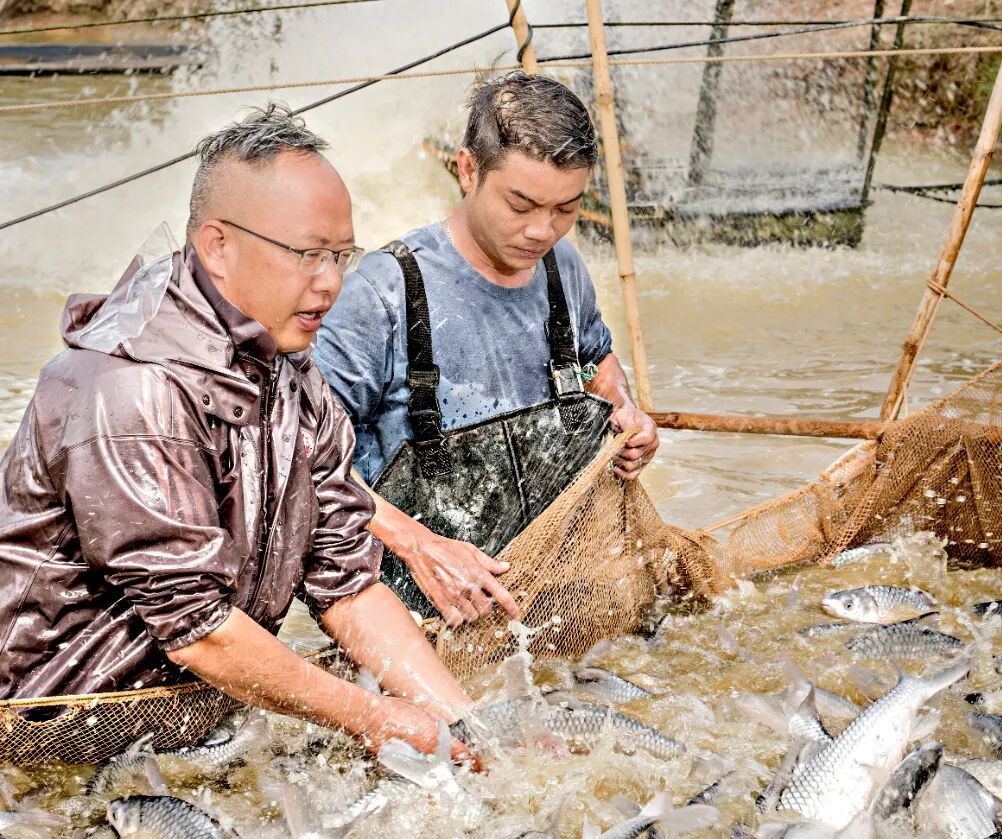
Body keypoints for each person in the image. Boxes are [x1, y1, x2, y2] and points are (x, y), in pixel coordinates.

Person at [0, 105, 474, 761]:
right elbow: (199, 629)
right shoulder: (132, 390)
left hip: (183, 719)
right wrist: (371, 716)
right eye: (308, 254)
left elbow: (345, 580)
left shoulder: (290, 370)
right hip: (44, 737)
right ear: (217, 246)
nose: (332, 282)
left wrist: (465, 725)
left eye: (342, 255)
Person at [315, 72, 659, 629]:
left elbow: (596, 358)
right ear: (468, 169)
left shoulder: (562, 268)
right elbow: (305, 460)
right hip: (423, 611)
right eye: (520, 204)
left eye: (566, 208)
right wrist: (420, 546)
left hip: (551, 593)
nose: (542, 231)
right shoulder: (382, 293)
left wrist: (626, 411)